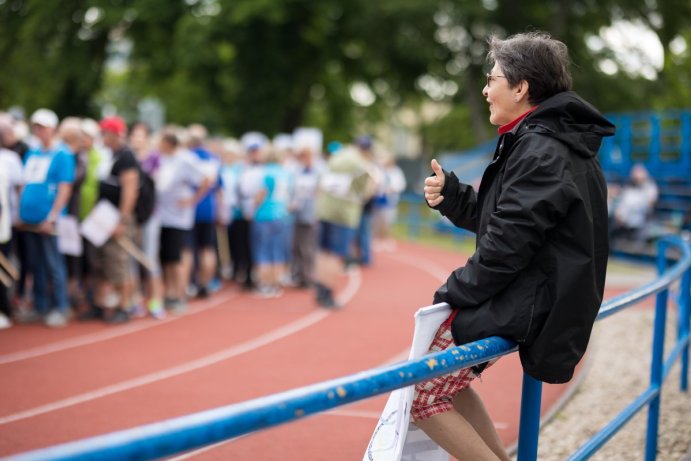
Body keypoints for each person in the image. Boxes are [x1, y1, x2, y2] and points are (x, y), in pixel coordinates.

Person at [418, 32, 614, 460]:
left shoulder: (542, 149)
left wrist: (451, 293)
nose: (487, 90)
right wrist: (454, 196)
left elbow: (506, 247)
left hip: (537, 302)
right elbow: (508, 222)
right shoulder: (545, 140)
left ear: (521, 87)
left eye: (493, 80)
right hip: (542, 292)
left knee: (420, 394)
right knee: (444, 376)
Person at [17, 108, 75, 328]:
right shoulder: (32, 152)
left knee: (53, 264)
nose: (38, 131)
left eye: (42, 127)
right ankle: (40, 306)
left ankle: (60, 306)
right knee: (35, 264)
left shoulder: (63, 154)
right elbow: (24, 183)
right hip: (29, 219)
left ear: (52, 129)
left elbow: (64, 188)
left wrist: (52, 216)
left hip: (48, 220)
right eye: (36, 126)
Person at [91, 116, 139, 324]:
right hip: (103, 215)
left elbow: (130, 191)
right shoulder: (107, 155)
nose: (102, 137)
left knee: (119, 262)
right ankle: (100, 303)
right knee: (100, 262)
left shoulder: (126, 157)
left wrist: (122, 220)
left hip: (116, 217)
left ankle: (125, 305)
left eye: (105, 133)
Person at [313, 144, 374, 308]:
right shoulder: (360, 163)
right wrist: (361, 198)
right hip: (343, 214)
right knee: (336, 255)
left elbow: (321, 184)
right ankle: (328, 293)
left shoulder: (335, 159)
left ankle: (319, 289)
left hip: (325, 209)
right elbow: (371, 184)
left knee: (323, 253)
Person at [609, 163, 659, 244]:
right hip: (624, 222)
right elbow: (622, 204)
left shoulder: (650, 187)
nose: (636, 179)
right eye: (635, 177)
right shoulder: (629, 188)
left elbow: (649, 204)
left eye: (638, 177)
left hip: (640, 222)